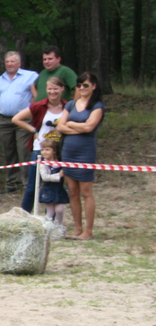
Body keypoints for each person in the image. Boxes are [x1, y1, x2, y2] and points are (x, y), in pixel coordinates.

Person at [56, 71, 104, 240]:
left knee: (86, 191)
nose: (82, 88)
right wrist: (76, 126)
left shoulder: (97, 106)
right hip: (68, 151)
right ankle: (77, 228)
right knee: (73, 191)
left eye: (86, 85)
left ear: (93, 86)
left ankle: (88, 230)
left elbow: (89, 127)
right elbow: (60, 126)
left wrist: (70, 124)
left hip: (85, 152)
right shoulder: (70, 104)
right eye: (79, 85)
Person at [12, 75, 69, 213]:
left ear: (62, 89)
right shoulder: (39, 106)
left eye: (55, 89)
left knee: (56, 184)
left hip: (58, 151)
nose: (52, 92)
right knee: (33, 185)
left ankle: (51, 217)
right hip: (40, 150)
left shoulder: (68, 107)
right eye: (50, 89)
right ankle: (23, 215)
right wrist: (34, 130)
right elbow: (16, 119)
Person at [0, 50, 37, 194]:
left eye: (12, 61)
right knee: (8, 151)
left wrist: (33, 111)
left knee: (23, 150)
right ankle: (11, 183)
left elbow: (38, 96)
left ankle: (27, 183)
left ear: (19, 63)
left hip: (23, 119)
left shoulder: (31, 76)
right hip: (4, 120)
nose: (9, 64)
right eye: (7, 62)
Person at [36, 137, 70, 234]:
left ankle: (59, 225)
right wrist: (58, 175)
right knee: (50, 212)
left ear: (54, 151)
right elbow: (45, 177)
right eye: (42, 149)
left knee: (59, 209)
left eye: (47, 149)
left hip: (59, 189)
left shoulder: (60, 162)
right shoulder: (43, 164)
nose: (44, 152)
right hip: (48, 190)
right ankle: (46, 228)